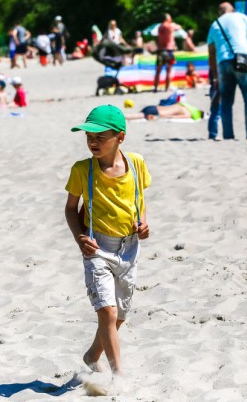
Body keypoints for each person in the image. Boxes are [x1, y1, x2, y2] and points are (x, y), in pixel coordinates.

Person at [64, 104, 151, 376]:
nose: (93, 141)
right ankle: (118, 377)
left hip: (128, 248)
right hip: (97, 247)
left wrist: (142, 223)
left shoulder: (136, 163)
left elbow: (139, 199)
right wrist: (80, 237)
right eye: (89, 136)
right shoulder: (82, 170)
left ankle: (92, 355)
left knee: (120, 315)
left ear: (120, 137)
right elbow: (70, 208)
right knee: (107, 313)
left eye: (100, 137)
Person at [207, 2, 247, 141]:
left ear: (219, 12)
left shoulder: (215, 24)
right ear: (233, 10)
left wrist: (215, 77)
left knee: (226, 101)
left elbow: (211, 53)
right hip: (243, 58)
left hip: (223, 61)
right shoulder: (243, 17)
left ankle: (228, 135)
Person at [154, 13, 182, 93]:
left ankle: (155, 88)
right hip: (169, 50)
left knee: (158, 71)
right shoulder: (171, 26)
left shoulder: (160, 27)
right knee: (169, 71)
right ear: (167, 19)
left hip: (160, 51)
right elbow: (179, 27)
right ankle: (167, 88)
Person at [125, 102, 204, 121]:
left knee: (135, 114)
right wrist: (159, 117)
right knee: (133, 116)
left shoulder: (183, 105)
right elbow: (173, 116)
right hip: (156, 112)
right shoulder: (188, 114)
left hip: (154, 107)